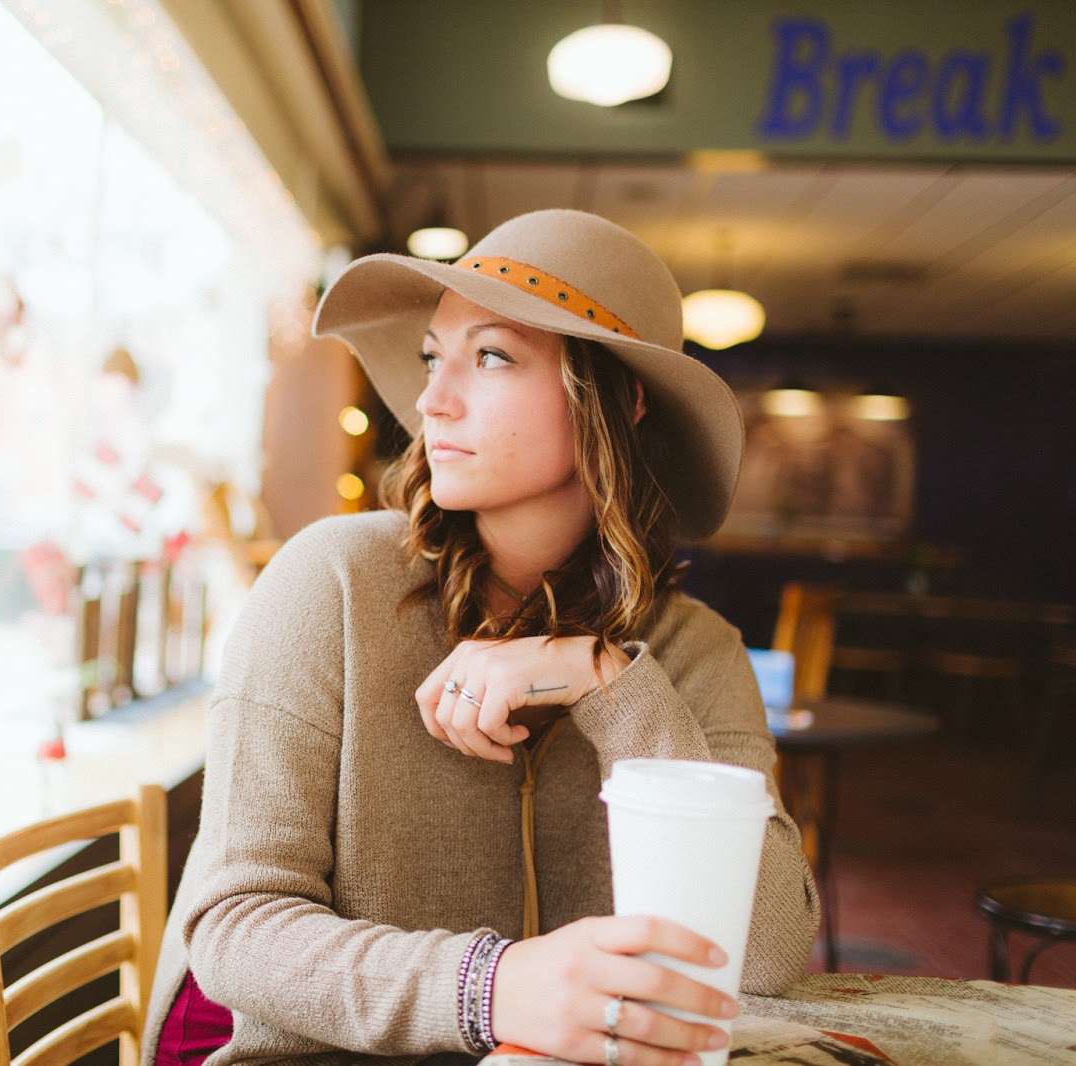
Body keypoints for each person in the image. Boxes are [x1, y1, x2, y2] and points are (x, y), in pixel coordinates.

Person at [141, 210, 820, 1066]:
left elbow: (760, 956)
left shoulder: (696, 652)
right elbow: (237, 929)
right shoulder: (332, 584)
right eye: (433, 357)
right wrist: (493, 989)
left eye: (491, 356)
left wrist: (610, 682)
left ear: (619, 400)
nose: (433, 399)